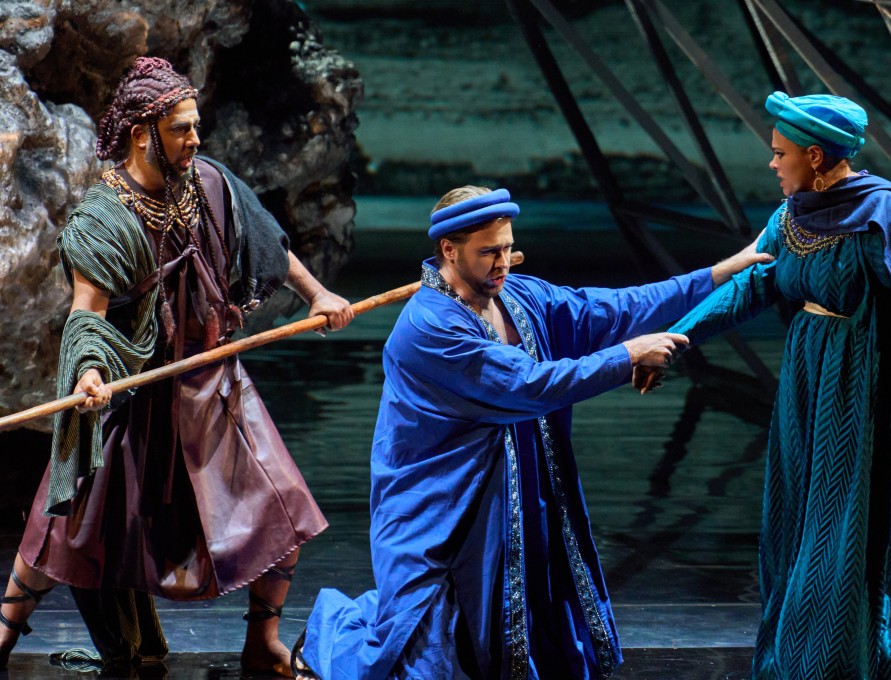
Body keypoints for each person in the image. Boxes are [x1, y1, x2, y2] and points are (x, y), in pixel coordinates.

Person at [294, 185, 773, 679]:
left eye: (507, 247)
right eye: (488, 252)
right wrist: (627, 356)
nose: (503, 262)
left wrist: (719, 273)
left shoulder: (517, 295)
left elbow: (609, 309)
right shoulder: (429, 328)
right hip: (444, 503)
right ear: (448, 251)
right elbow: (530, 384)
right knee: (430, 647)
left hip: (515, 487)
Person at [0, 56, 353, 676]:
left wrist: (319, 295)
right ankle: (3, 635)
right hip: (138, 399)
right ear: (143, 134)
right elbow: (88, 313)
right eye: (182, 129)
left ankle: (261, 642)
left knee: (285, 511)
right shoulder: (103, 218)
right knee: (63, 527)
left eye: (195, 127)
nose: (196, 139)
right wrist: (88, 373)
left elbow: (271, 244)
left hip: (216, 388)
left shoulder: (210, 185)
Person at [642, 92, 891, 679]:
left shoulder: (882, 213)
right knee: (793, 525)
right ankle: (795, 663)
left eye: (781, 154)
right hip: (805, 382)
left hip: (865, 386)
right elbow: (752, 285)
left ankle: (830, 666)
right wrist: (678, 337)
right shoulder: (790, 214)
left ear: (816, 156)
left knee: (840, 534)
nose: (772, 164)